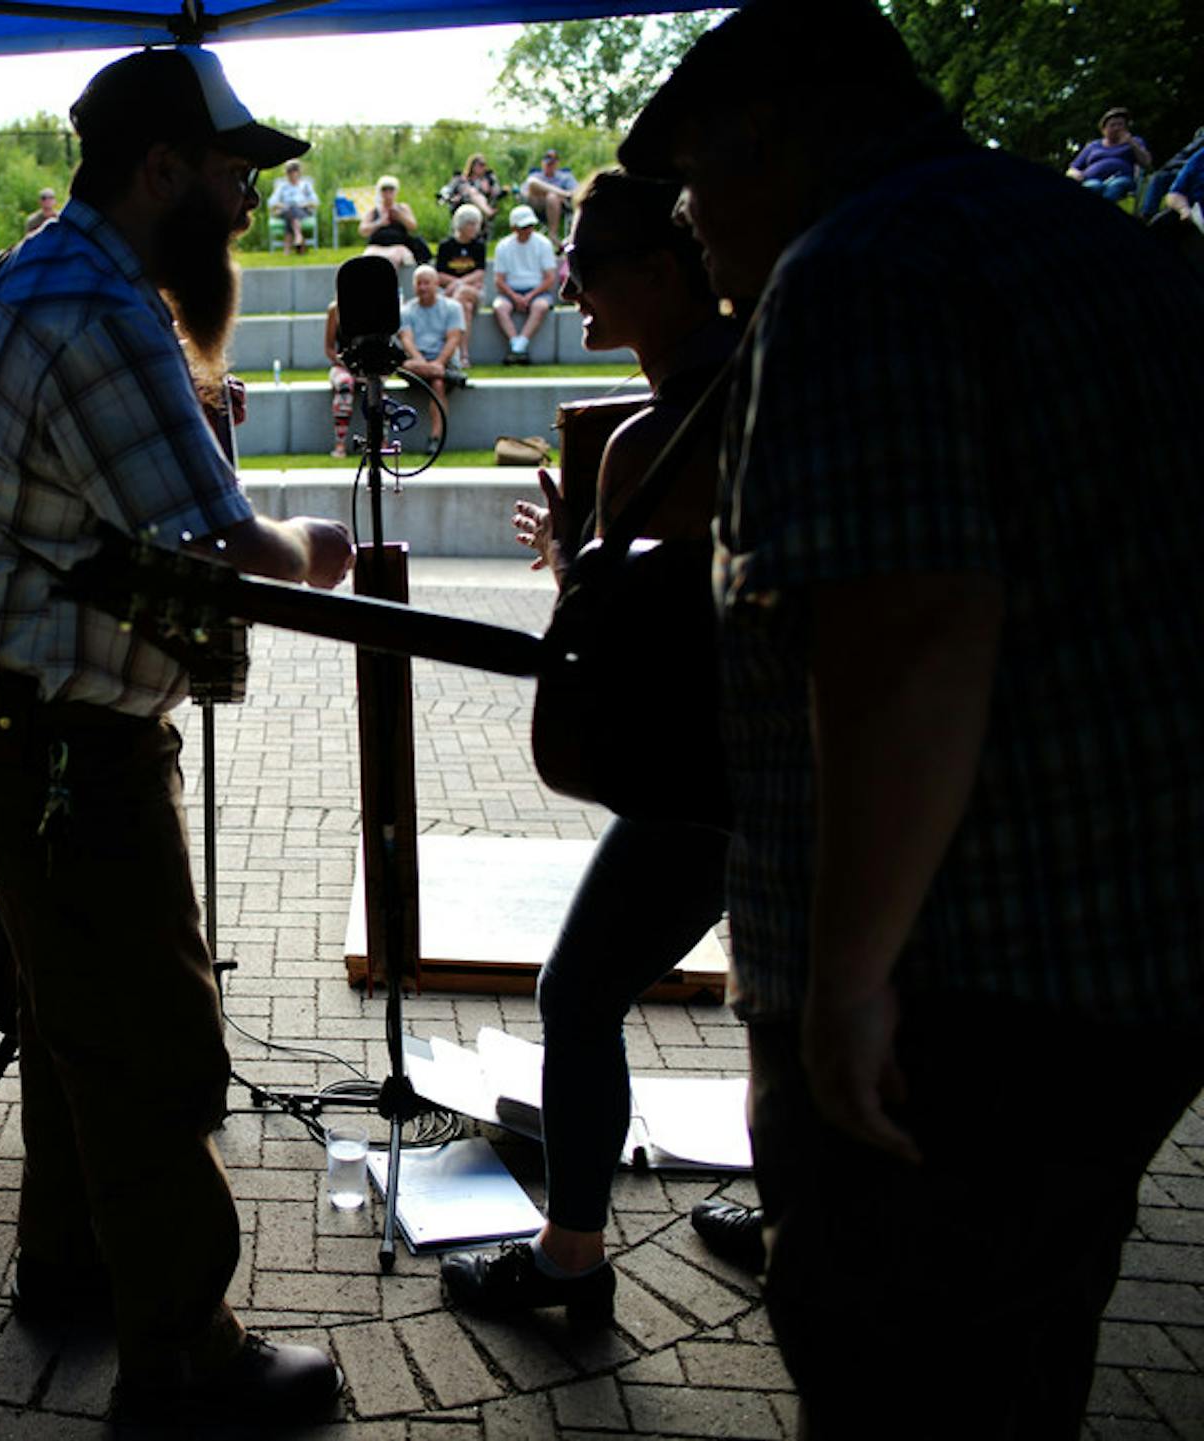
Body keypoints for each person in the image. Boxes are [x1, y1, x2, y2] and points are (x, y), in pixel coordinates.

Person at [617, 1, 1204, 1433]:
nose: (688, 223)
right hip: (1132, 956)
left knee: (902, 1366)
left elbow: (908, 628)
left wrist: (846, 979)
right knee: (1022, 1346)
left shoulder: (859, 275)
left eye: (694, 178)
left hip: (963, 991)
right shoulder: (1091, 248)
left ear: (777, 141)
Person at [0, 44, 353, 1427]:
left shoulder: (9, 282)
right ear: (160, 169)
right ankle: (182, 1356)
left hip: (11, 729)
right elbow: (225, 538)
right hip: (73, 751)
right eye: (232, 174)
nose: (247, 203)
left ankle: (67, 1264)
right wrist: (316, 549)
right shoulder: (103, 309)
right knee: (157, 1041)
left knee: (72, 1017)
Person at [440, 168, 746, 1325]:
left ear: (664, 274)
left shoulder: (655, 441)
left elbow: (618, 652)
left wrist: (578, 570)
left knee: (578, 992)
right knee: (785, 1002)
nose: (570, 290)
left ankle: (571, 1263)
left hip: (708, 777)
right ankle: (798, 1218)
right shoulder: (763, 384)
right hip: (783, 767)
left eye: (590, 270)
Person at [397, 266, 465, 442]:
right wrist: (422, 362)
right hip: (417, 363)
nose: (422, 287)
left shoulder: (453, 307)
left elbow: (453, 339)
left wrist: (439, 363)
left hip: (444, 360)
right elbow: (407, 340)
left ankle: (435, 437)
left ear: (437, 284)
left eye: (427, 283)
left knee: (437, 383)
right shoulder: (406, 311)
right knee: (406, 366)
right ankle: (451, 377)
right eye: (419, 283)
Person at [491, 204, 558, 362]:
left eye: (530, 226)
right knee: (499, 307)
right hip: (511, 291)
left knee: (540, 306)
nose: (527, 230)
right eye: (523, 227)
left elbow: (549, 278)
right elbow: (499, 280)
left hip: (538, 291)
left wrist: (530, 295)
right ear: (514, 228)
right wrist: (515, 296)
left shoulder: (543, 244)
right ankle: (516, 343)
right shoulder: (503, 246)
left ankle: (519, 345)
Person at [434, 203, 494, 364]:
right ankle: (462, 354)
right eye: (471, 224)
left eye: (477, 224)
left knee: (461, 295)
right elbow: (439, 274)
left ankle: (454, 352)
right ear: (461, 224)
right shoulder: (446, 246)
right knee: (463, 307)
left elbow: (480, 273)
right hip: (455, 295)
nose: (475, 228)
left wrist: (458, 284)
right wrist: (456, 284)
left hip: (472, 293)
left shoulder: (479, 246)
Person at [1067, 107, 1152, 202]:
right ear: (1104, 130)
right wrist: (1076, 175)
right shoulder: (1093, 146)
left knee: (1115, 186)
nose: (1116, 128)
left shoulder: (1135, 141)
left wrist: (1131, 143)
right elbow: (1072, 169)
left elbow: (1146, 163)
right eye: (1112, 125)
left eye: (1120, 125)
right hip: (1092, 179)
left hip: (1121, 178)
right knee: (1093, 187)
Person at [360, 175, 428, 267]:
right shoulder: (373, 211)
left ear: (396, 191)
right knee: (368, 259)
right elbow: (363, 230)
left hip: (398, 246)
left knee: (394, 258)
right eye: (384, 190)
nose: (388, 193)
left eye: (391, 189)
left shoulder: (403, 208)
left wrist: (400, 216)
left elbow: (413, 226)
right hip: (376, 247)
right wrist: (379, 223)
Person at [322, 298, 353, 458]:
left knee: (376, 388)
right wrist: (344, 362)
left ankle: (381, 443)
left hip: (366, 366)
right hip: (341, 364)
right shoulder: (335, 309)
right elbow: (329, 348)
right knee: (344, 384)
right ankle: (340, 444)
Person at [523, 149, 578, 240]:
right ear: (542, 163)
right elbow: (525, 192)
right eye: (548, 163)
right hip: (536, 205)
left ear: (557, 163)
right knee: (532, 182)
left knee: (552, 197)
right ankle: (561, 193)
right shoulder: (536, 175)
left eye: (552, 163)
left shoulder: (565, 177)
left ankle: (553, 235)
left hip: (558, 207)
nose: (550, 166)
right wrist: (562, 193)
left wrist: (553, 195)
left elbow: (575, 191)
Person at [268, 159, 317, 252]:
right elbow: (271, 202)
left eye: (294, 172)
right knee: (291, 210)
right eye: (289, 172)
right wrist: (282, 205)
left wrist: (304, 204)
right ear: (287, 174)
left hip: (303, 210)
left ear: (299, 173)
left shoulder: (305, 185)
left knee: (292, 212)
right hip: (285, 210)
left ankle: (287, 248)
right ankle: (298, 237)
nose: (292, 175)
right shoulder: (282, 186)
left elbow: (315, 201)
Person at [445, 152, 504, 221]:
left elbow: (497, 193)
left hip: (481, 215)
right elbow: (447, 191)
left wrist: (490, 189)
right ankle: (488, 211)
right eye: (481, 165)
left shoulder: (489, 179)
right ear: (473, 166)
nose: (484, 167)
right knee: (471, 191)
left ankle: (488, 211)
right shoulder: (460, 179)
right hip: (463, 210)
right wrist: (453, 198)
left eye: (485, 165)